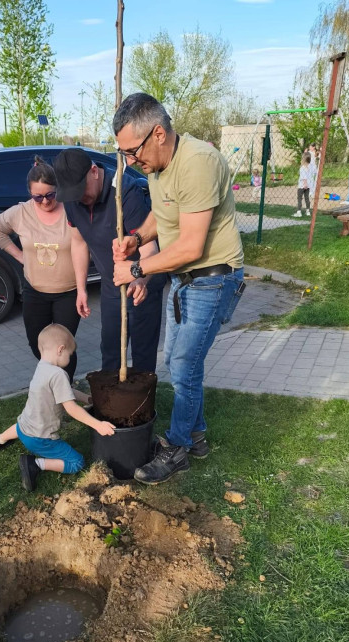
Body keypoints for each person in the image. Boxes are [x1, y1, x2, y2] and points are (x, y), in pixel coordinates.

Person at [112, 93, 245, 485]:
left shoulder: (198, 163)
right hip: (184, 280)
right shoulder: (157, 168)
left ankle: (177, 448)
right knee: (176, 360)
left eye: (132, 151)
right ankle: (197, 435)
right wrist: (137, 237)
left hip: (213, 277)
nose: (130, 161)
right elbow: (164, 212)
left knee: (184, 364)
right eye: (123, 154)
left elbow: (190, 247)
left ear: (158, 133)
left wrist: (134, 268)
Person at [53, 148, 165, 373]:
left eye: (81, 190)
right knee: (111, 349)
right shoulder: (72, 198)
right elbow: (79, 242)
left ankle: (141, 405)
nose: (79, 199)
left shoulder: (125, 192)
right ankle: (111, 405)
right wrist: (81, 289)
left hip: (142, 281)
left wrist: (140, 279)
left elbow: (149, 247)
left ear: (94, 171)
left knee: (143, 351)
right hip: (111, 283)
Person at [0, 156, 87, 382]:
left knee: (63, 346)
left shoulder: (71, 210)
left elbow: (84, 244)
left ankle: (64, 391)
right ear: (30, 193)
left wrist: (82, 289)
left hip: (68, 292)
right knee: (38, 344)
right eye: (38, 197)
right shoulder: (20, 213)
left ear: (58, 189)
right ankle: (51, 382)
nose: (44, 201)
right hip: (35, 291)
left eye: (50, 195)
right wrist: (20, 256)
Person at [0, 324, 115, 490]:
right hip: (40, 438)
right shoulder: (59, 374)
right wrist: (98, 425)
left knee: (20, 425)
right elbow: (71, 409)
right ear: (60, 350)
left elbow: (66, 391)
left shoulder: (43, 367)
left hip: (24, 427)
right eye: (70, 354)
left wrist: (86, 398)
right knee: (77, 462)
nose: (70, 358)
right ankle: (35, 464)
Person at [292, 152, 313, 218]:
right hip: (308, 186)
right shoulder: (309, 168)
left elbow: (304, 178)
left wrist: (305, 184)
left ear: (303, 159)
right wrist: (307, 185)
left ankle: (299, 212)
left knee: (299, 198)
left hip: (302, 186)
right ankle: (308, 211)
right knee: (307, 199)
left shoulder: (302, 168)